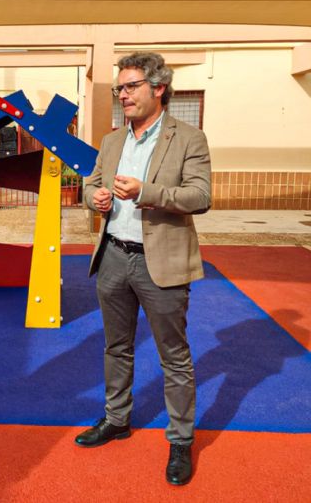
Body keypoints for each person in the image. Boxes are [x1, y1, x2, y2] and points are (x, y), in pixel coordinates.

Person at [75, 52, 211, 486]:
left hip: (162, 263)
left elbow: (200, 196)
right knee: (116, 347)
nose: (123, 94)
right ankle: (117, 419)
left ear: (159, 88)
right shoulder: (112, 140)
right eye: (120, 88)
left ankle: (181, 440)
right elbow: (90, 185)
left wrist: (146, 192)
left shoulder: (189, 138)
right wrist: (94, 198)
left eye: (131, 86)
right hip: (114, 256)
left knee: (174, 355)